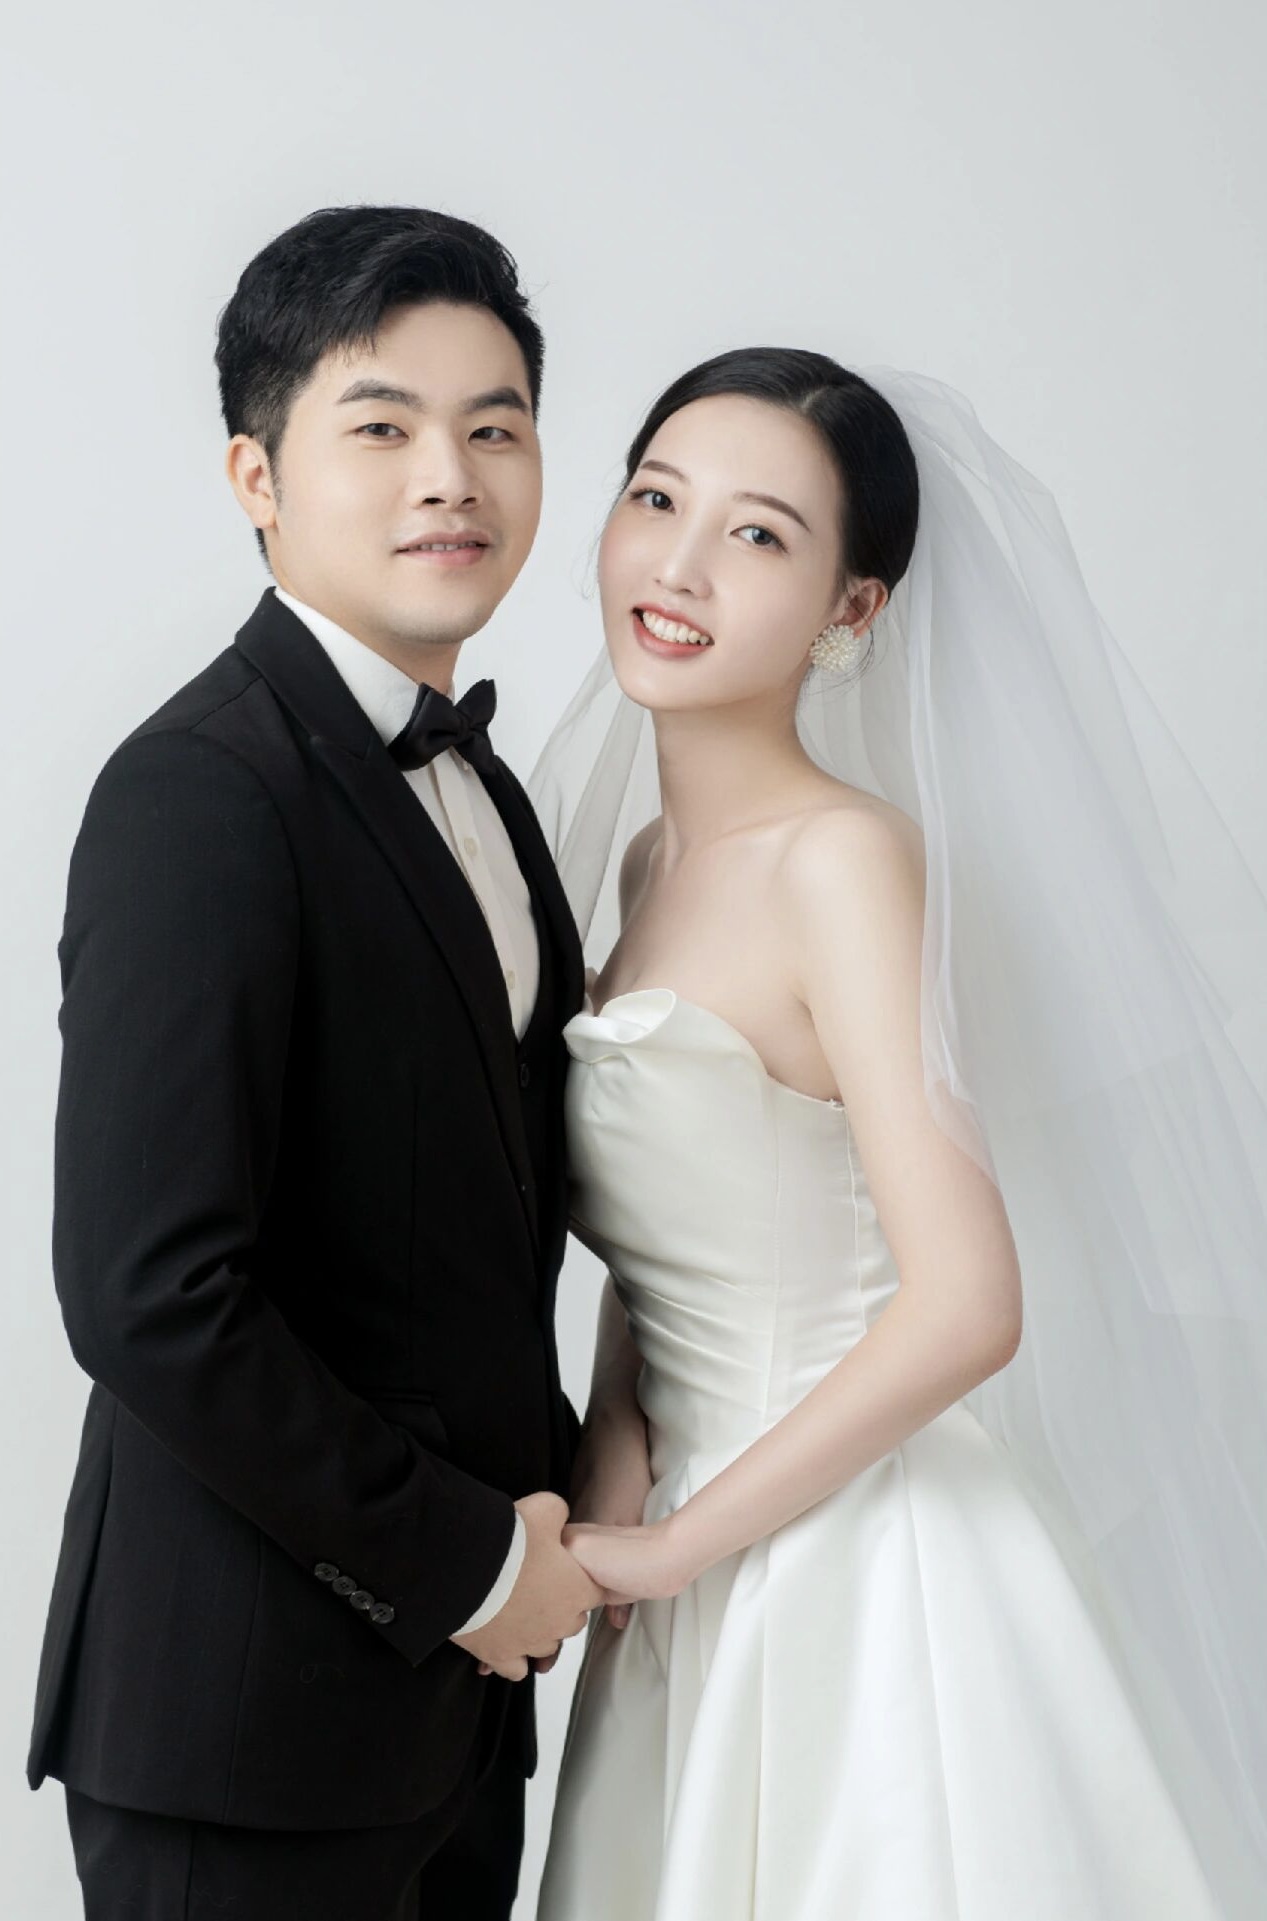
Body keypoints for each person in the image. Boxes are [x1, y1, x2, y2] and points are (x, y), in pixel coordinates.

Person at [529, 350, 1267, 1918]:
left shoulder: (843, 861)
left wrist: (680, 1546)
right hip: (694, 1546)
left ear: (852, 612)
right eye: (656, 499)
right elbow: (683, 1222)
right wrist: (618, 1449)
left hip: (862, 1557)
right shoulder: (648, 861)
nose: (679, 564)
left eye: (758, 534)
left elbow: (968, 1302)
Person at [26, 203, 601, 1921]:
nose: (451, 478)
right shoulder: (198, 790)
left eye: (495, 427)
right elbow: (150, 1294)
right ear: (255, 476)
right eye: (382, 427)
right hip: (245, 1724)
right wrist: (471, 1563)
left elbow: (469, 1231)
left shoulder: (487, 792)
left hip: (455, 1716)